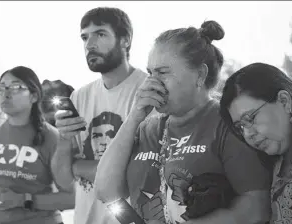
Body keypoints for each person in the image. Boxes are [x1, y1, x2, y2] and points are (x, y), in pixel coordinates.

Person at [95, 21, 271, 224]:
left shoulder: (227, 123)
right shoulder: (146, 128)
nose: (151, 83)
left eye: (162, 73)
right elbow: (106, 191)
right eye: (150, 73)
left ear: (200, 75)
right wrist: (134, 116)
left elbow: (256, 208)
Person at [51, 7, 149, 224]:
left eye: (100, 34)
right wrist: (64, 139)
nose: (89, 44)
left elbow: (136, 174)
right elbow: (63, 179)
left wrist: (79, 166)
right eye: (85, 37)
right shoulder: (79, 96)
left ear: (125, 40)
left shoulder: (146, 91)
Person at [219, 62, 292, 224]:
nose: (248, 134)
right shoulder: (277, 158)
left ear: (284, 101)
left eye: (251, 118)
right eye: (240, 127)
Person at [0, 66, 75, 224]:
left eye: (15, 87)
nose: (6, 93)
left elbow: (72, 198)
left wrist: (23, 200)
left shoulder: (52, 138)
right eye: (1, 88)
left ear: (34, 96)